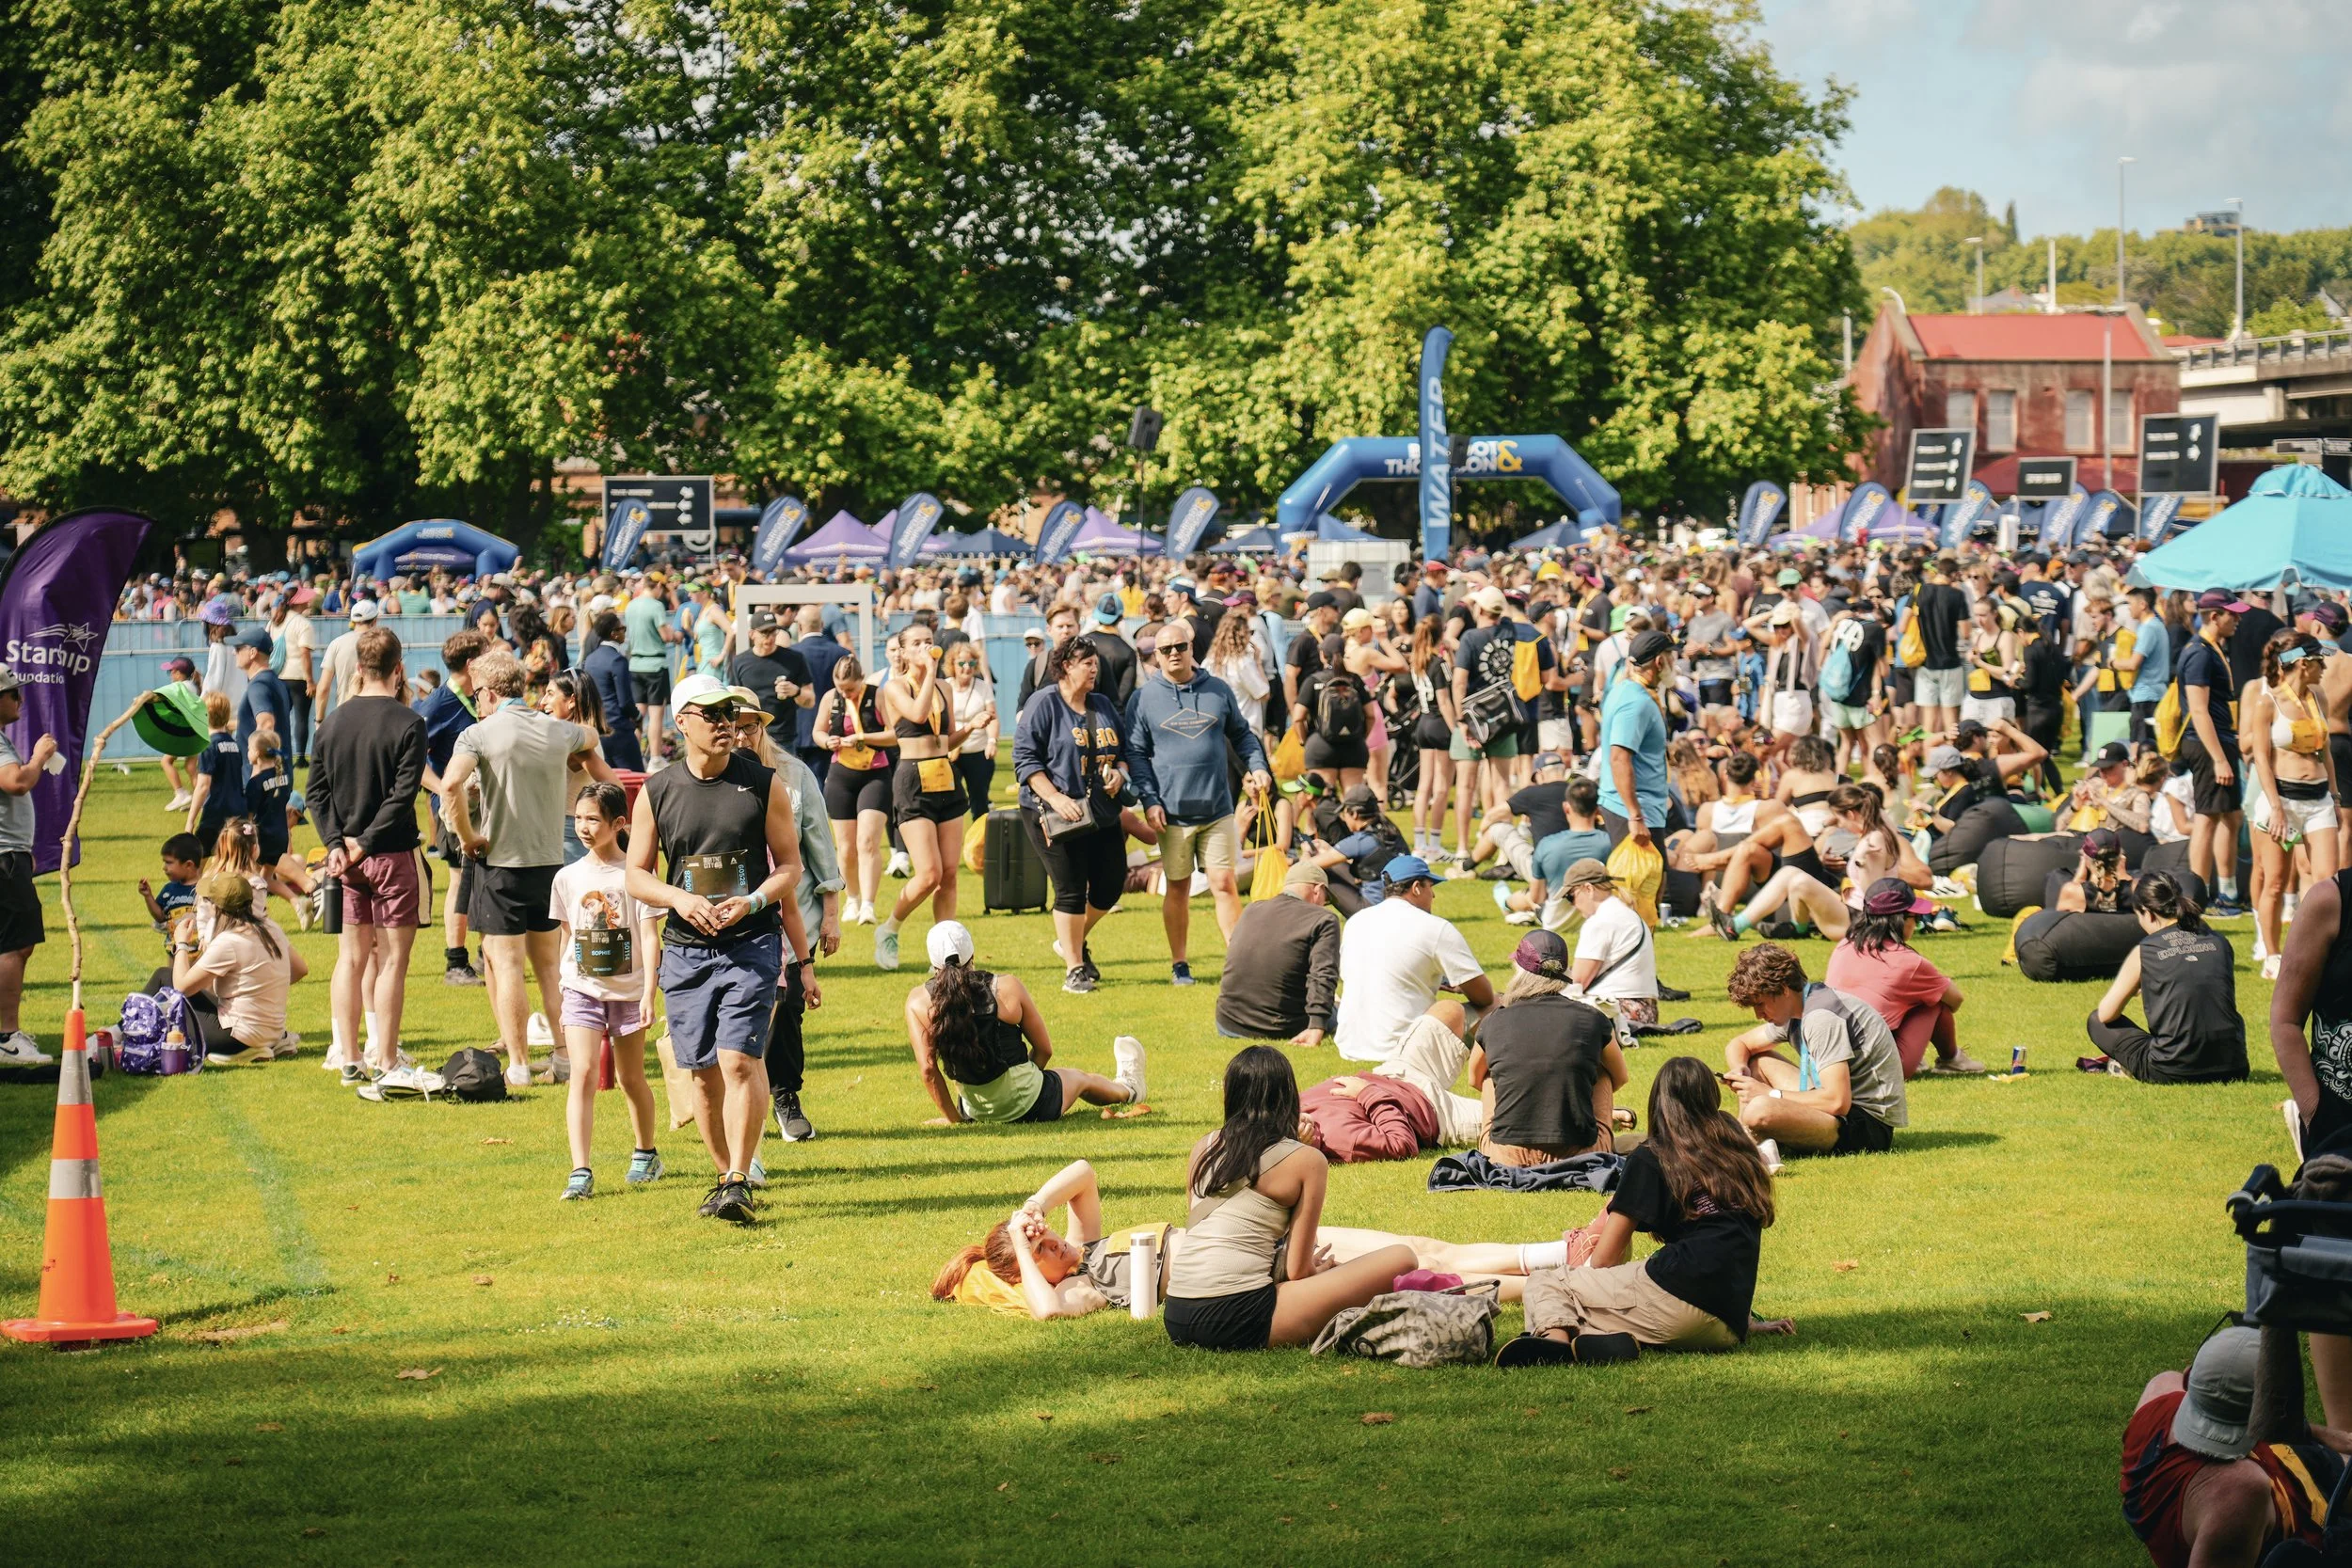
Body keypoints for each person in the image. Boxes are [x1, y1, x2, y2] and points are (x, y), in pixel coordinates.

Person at [934, 1156, 1567, 1320]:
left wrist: (1034, 1206)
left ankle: (1559, 1255)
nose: (1058, 1247)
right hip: (1255, 1271)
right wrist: (1021, 1245)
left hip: (1250, 1240)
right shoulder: (1081, 1287)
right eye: (1043, 1251)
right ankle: (1564, 1282)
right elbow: (1045, 1312)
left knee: (1420, 1244)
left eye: (1048, 1239)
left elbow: (1083, 1174)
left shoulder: (1088, 1245)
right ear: (1029, 1271)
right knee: (1417, 1277)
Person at [626, 674, 808, 1224]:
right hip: (684, 950)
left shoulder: (763, 784)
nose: (727, 724)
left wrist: (752, 901)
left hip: (750, 942)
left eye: (731, 714)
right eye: (713, 715)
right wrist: (679, 900)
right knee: (702, 1075)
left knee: (738, 1061)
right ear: (682, 722)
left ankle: (734, 1180)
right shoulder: (658, 791)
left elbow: (792, 868)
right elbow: (636, 875)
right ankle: (729, 1171)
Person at [1497, 1056, 1791, 1365]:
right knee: (1611, 1299)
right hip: (1726, 1326)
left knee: (1550, 1282)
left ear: (1659, 1103)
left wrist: (1584, 1284)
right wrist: (1746, 1321)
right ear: (1712, 1098)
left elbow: (1605, 1258)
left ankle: (1554, 1344)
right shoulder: (1735, 1147)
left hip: (1677, 1301)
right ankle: (1592, 1338)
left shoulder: (1655, 1156)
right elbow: (1732, 1248)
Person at [1163, 1046, 1420, 1352]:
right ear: (1288, 1095)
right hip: (1238, 1317)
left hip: (1177, 1314)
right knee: (1403, 1258)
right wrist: (1317, 1272)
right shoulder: (1306, 1160)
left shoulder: (1202, 1147)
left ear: (1230, 1096)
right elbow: (1298, 1271)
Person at [444, 650, 617, 1087]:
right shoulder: (559, 731)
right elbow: (591, 737)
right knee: (549, 967)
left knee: (504, 965)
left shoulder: (479, 733)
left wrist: (466, 838)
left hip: (501, 863)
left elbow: (450, 786)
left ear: (486, 693)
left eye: (476, 695)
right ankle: (562, 1056)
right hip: (549, 865)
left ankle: (519, 1063)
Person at [305, 623, 431, 1084]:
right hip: (389, 853)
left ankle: (350, 1055)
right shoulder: (409, 723)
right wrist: (358, 844)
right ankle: (387, 1058)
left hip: (348, 858)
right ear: (399, 670)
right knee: (394, 960)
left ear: (358, 668)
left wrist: (338, 844)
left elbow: (315, 795)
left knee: (350, 958)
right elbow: (403, 796)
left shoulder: (333, 721)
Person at [2122, 1325, 2348, 1568]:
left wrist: (2321, 1435)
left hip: (2288, 1468)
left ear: (2191, 1376)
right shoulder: (2240, 1493)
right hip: (2312, 1541)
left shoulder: (2161, 1390)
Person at [1128, 623, 1270, 983]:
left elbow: (1243, 735)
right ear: (1155, 656)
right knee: (1178, 885)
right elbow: (1136, 753)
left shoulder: (1217, 689)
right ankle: (1180, 963)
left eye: (1180, 646)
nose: (1173, 653)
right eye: (1165, 649)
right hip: (1171, 813)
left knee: (1224, 882)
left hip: (1218, 808)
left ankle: (1238, 963)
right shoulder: (1143, 698)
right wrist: (1149, 800)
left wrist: (1257, 767)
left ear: (1192, 648)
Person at [548, 781, 663, 1201]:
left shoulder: (636, 876)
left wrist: (649, 992)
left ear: (618, 823)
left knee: (630, 1078)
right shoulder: (567, 877)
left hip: (630, 992)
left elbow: (651, 938)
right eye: (578, 818)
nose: (583, 826)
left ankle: (646, 1152)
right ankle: (580, 1170)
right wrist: (564, 986)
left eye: (592, 819)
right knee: (582, 1075)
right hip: (581, 990)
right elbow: (567, 936)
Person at [732, 701, 840, 1146]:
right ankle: (734, 1100)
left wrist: (832, 913)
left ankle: (785, 1097)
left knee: (789, 1007)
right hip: (731, 918)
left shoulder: (794, 774)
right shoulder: (707, 777)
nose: (740, 736)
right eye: (732, 727)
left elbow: (820, 843)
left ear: (762, 727)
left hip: (793, 916)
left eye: (749, 727)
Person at [905, 921, 1142, 1124]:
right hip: (1031, 1102)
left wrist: (955, 1121)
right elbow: (1044, 1050)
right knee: (1081, 1079)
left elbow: (928, 1071)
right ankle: (1129, 1088)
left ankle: (1126, 1086)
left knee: (1069, 1079)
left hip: (975, 1110)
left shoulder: (917, 1003)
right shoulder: (1006, 987)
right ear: (972, 955)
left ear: (933, 963)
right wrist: (1023, 1082)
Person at [1012, 636, 1135, 994]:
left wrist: (1119, 775)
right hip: (1052, 812)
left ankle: (1072, 941)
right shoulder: (1044, 703)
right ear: (1066, 665)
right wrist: (1054, 797)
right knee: (1070, 889)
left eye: (1096, 662)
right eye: (1087, 662)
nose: (1095, 669)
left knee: (1111, 886)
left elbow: (1122, 751)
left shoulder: (1103, 704)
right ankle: (1074, 969)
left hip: (1100, 810)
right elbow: (1025, 758)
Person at [1723, 942, 1908, 1158]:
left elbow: (1837, 1102)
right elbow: (1740, 1044)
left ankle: (1747, 1150)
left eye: (1760, 1004)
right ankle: (1749, 1147)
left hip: (1868, 1125)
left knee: (1759, 1109)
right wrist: (1739, 1069)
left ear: (1783, 990)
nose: (1758, 1014)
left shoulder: (1821, 1018)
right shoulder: (1800, 1006)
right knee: (1758, 1062)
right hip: (1842, 1111)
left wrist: (1769, 1094)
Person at [1470, 931, 1630, 1165]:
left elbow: (1474, 1079)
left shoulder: (1494, 1021)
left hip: (1506, 1156)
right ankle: (1592, 1132)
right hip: (1582, 1154)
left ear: (1520, 970)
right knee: (1602, 1071)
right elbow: (1621, 1077)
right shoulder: (1592, 1019)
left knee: (1487, 1075)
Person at [2083, 873, 2247, 1084]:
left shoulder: (2146, 950)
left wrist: (2134, 989)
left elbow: (2107, 1014)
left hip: (2171, 1069)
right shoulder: (2219, 941)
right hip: (2234, 1065)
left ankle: (2130, 1066)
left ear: (2148, 914)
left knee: (2096, 1021)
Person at [873, 620, 971, 970]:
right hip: (913, 779)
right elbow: (916, 713)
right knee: (928, 874)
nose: (925, 647)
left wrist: (972, 729)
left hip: (944, 775)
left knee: (949, 874)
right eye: (916, 643)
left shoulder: (944, 686)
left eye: (929, 641)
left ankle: (945, 959)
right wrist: (929, 672)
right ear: (902, 650)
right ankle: (889, 927)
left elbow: (946, 739)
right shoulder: (894, 688)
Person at [2244, 630, 2341, 979]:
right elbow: (2261, 759)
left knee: (2328, 885)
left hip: (2317, 800)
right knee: (2274, 882)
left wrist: (2334, 792)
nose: (2324, 668)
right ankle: (2272, 954)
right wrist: (2276, 808)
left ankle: (2322, 952)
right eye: (2320, 662)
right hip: (2280, 799)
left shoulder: (2318, 697)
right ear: (2302, 663)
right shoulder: (2267, 701)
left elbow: (2325, 750)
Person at [1332, 855, 1493, 1062]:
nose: (1433, 895)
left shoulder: (1356, 921)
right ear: (1416, 887)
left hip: (1350, 1044)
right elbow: (1484, 998)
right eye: (1430, 886)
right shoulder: (1435, 927)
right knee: (1497, 1004)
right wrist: (1464, 987)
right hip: (1406, 1049)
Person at [1824, 879, 1980, 1078]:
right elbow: (1955, 999)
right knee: (1934, 1001)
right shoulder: (1908, 962)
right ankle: (1952, 1060)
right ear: (1901, 919)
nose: (1916, 923)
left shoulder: (1846, 944)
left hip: (1830, 1058)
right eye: (1915, 917)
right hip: (1879, 1068)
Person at [168, 870, 308, 1066]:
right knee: (169, 981)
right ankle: (266, 1045)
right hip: (273, 1030)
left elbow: (181, 987)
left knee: (165, 978)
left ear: (217, 907)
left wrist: (181, 944)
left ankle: (120, 1033)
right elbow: (301, 969)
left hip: (237, 1037)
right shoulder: (270, 928)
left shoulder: (229, 941)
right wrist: (262, 986)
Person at [1215, 858, 1341, 1046]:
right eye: (1326, 899)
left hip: (1229, 1023)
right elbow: (1323, 974)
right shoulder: (1324, 919)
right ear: (1317, 889)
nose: (1323, 905)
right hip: (1284, 1025)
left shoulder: (1252, 909)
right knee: (1346, 1010)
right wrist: (1317, 1025)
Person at [2177, 591, 2249, 915]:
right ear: (2214, 616)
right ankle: (2197, 897)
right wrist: (2219, 757)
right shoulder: (2200, 653)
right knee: (2207, 817)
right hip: (2208, 744)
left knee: (2230, 816)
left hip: (2219, 741)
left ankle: (2227, 892)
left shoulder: (2212, 649)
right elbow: (2199, 710)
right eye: (2232, 614)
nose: (2238, 619)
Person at [813, 653, 895, 927]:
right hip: (841, 775)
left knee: (868, 842)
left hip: (875, 773)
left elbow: (894, 734)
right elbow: (818, 732)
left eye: (851, 688)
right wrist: (828, 742)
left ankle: (869, 905)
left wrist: (862, 737)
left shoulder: (877, 695)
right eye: (841, 688)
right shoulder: (830, 698)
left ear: (861, 680)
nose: (846, 693)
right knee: (846, 847)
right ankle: (852, 899)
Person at [0, 670, 56, 1065]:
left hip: (10, 855)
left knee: (15, 942)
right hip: (4, 859)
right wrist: (38, 757)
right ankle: (6, 1037)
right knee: (14, 944)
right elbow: (16, 782)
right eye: (13, 694)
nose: (20, 701)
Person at [1554, 858, 1661, 1026]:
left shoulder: (1599, 922)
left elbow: (1578, 982)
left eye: (1570, 897)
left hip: (1614, 1011)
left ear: (1588, 889)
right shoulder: (1629, 915)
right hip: (1646, 1013)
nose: (1573, 905)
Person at [1597, 628, 1676, 848]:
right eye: (1671, 655)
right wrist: (1635, 816)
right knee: (1644, 882)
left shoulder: (1629, 690)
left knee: (1655, 880)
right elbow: (1619, 758)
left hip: (1642, 807)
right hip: (1633, 809)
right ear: (1660, 662)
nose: (1674, 662)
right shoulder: (1635, 702)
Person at [624, 576, 678, 761]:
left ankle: (633, 756)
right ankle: (655, 757)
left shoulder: (631, 605)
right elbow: (666, 636)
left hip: (636, 664)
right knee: (656, 715)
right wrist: (674, 633)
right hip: (655, 665)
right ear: (659, 586)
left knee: (638, 715)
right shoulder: (655, 606)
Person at [580, 611, 643, 771]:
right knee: (635, 778)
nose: (624, 632)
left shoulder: (590, 659)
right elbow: (625, 701)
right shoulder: (617, 660)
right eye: (623, 628)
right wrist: (637, 716)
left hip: (597, 728)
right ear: (614, 634)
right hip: (619, 727)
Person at [185, 690, 246, 849]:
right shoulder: (234, 745)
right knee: (232, 859)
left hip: (216, 812)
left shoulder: (209, 746)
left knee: (198, 860)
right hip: (238, 811)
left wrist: (190, 821)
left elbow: (203, 786)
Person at [2054, 827, 2136, 914]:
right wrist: (2125, 876)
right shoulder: (2135, 889)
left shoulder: (2073, 891)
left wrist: (2079, 878)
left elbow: (2061, 920)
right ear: (2120, 858)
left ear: (2086, 859)